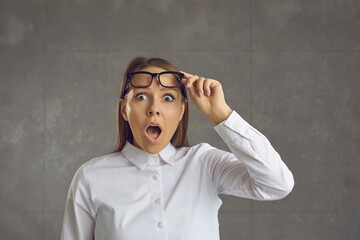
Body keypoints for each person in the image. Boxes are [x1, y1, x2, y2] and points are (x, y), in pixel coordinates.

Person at [61, 57, 294, 240]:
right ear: (124, 110)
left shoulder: (204, 163)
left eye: (168, 98)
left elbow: (277, 184)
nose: (154, 109)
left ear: (183, 110)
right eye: (141, 97)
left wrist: (222, 115)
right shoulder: (90, 177)